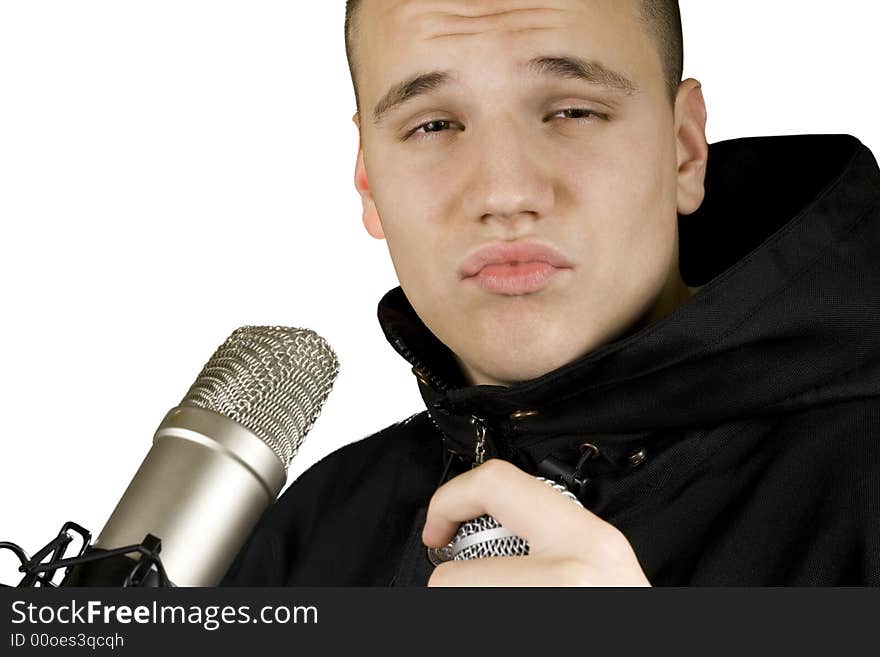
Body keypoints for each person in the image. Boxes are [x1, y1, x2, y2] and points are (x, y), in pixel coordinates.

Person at [221, 0, 880, 586]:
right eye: (434, 125)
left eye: (572, 111)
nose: (506, 194)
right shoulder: (312, 531)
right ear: (369, 180)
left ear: (684, 150)